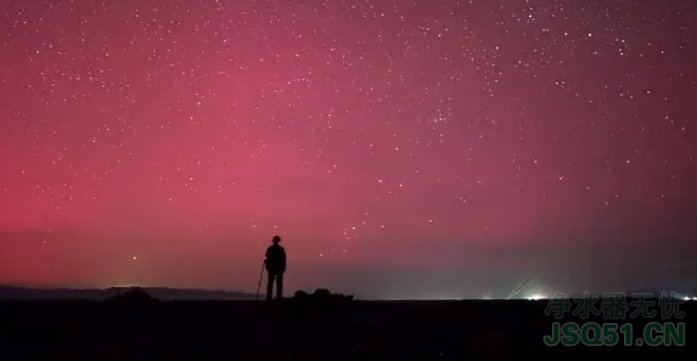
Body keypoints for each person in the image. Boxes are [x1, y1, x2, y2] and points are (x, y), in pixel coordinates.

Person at [264, 235, 286, 300]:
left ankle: (278, 296)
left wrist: (283, 267)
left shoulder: (280, 249)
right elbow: (266, 257)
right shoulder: (270, 249)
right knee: (271, 283)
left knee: (278, 283)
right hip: (272, 268)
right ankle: (269, 296)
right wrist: (266, 264)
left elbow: (283, 259)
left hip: (278, 268)